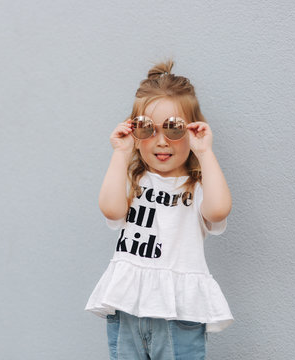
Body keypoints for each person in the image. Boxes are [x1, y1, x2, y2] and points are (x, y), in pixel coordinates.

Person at [85, 60, 234, 360]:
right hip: (128, 307)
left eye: (174, 128)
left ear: (191, 131)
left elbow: (218, 212)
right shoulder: (132, 181)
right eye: (147, 129)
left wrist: (204, 152)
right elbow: (111, 211)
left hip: (179, 312)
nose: (161, 140)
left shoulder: (194, 186)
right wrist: (121, 153)